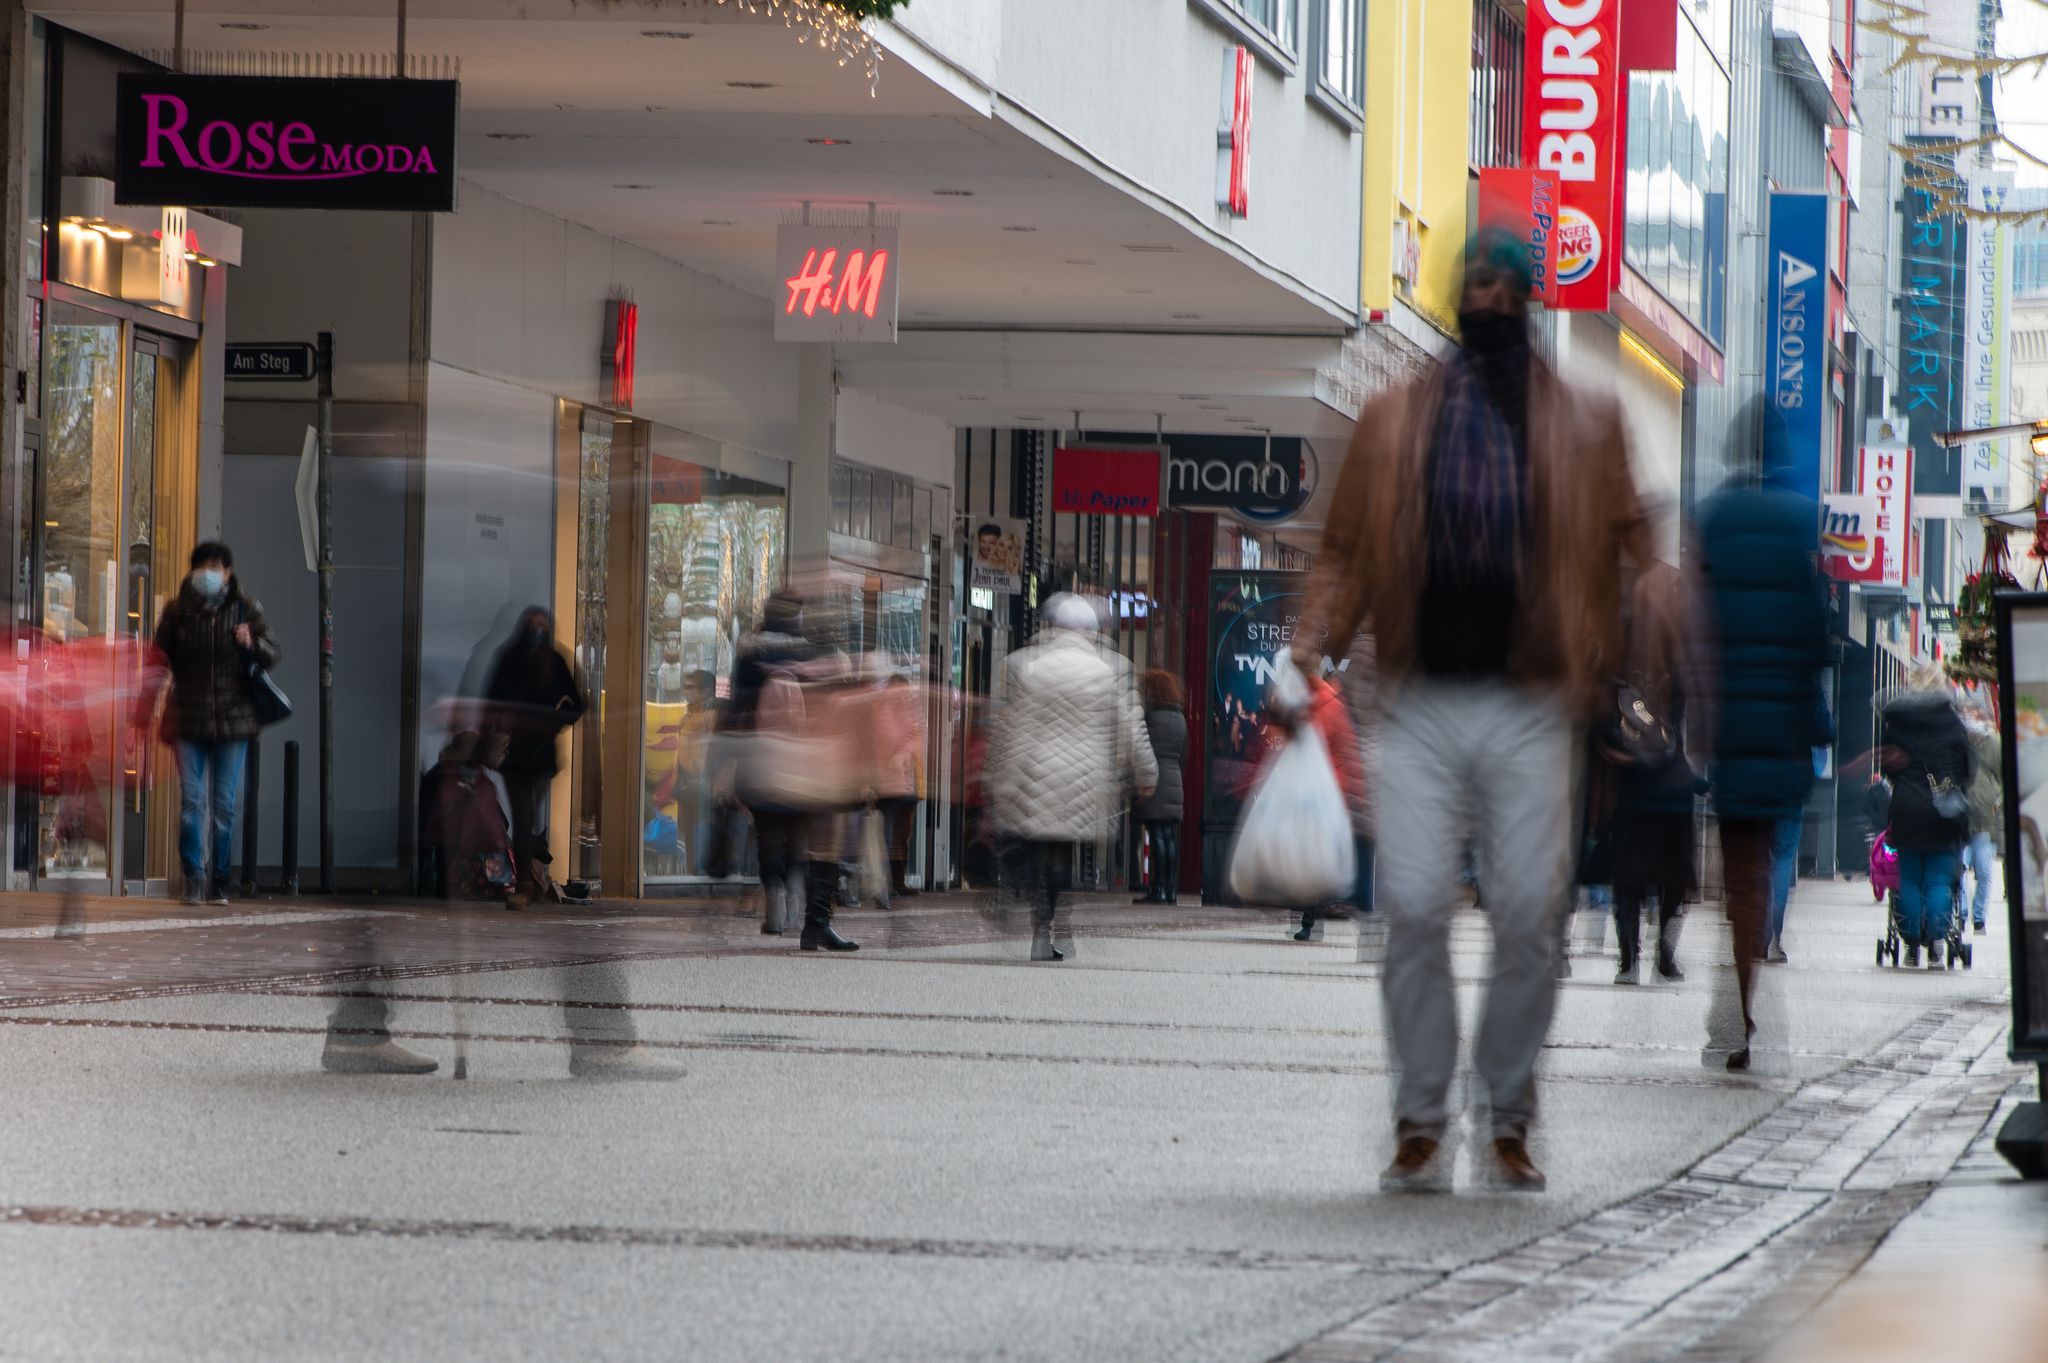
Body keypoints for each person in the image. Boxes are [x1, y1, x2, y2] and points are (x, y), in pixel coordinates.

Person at [1293, 228, 1649, 1192]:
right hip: (1415, 697)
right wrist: (1306, 649)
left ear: (1527, 297)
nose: (1487, 296)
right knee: (1409, 906)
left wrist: (1624, 674)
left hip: (1533, 699)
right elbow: (1347, 549)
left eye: (1503, 283)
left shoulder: (1585, 419)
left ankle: (1508, 1108)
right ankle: (1419, 1115)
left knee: (1532, 914)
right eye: (1475, 282)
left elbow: (1627, 550)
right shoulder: (1395, 417)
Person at [1699, 405, 1829, 1069]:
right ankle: (1745, 981)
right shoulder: (1798, 522)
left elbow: (1698, 620)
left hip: (1728, 723)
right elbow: (1816, 635)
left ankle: (1738, 989)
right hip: (1780, 728)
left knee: (1737, 863)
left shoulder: (1715, 518)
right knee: (1764, 863)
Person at [985, 594, 1156, 961]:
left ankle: (1039, 923)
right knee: (1063, 854)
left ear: (1051, 627)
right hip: (1082, 780)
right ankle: (1054, 925)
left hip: (1035, 776)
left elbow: (1009, 728)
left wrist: (998, 777)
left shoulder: (1027, 665)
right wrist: (1146, 771)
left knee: (1039, 847)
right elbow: (1130, 727)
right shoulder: (1111, 669)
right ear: (1091, 632)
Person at [141, 542, 280, 906]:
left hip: (233, 722)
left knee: (223, 804)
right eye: (203, 566)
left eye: (216, 566)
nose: (209, 573)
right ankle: (193, 877)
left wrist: (252, 643)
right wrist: (140, 716)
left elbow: (272, 653)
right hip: (187, 718)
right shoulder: (178, 612)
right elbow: (156, 665)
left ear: (229, 572)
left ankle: (219, 878)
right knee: (191, 801)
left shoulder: (246, 609)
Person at [723, 590, 859, 950]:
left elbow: (736, 705)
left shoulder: (750, 651)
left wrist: (728, 756)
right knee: (800, 832)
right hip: (802, 756)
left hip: (758, 754)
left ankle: (775, 905)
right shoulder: (809, 649)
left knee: (767, 832)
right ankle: (802, 906)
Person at [1603, 563, 1704, 986]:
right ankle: (1665, 954)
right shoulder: (1681, 647)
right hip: (1672, 776)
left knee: (1628, 873)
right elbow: (1688, 709)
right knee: (1674, 874)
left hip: (1633, 776)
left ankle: (1629, 959)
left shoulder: (1620, 641)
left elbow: (1604, 704)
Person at [483, 607, 586, 904]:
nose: (537, 631)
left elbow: (577, 704)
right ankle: (525, 881)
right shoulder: (512, 659)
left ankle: (525, 879)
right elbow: (492, 700)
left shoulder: (552, 662)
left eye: (542, 626)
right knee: (524, 813)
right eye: (533, 625)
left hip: (538, 753)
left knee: (525, 813)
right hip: (517, 752)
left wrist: (552, 723)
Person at [1878, 673, 1973, 968]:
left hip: (1906, 808)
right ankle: (1935, 939)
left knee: (1908, 878)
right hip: (1943, 812)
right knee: (1937, 880)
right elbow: (1967, 768)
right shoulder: (1953, 724)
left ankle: (1911, 942)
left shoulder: (1897, 723)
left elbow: (1888, 767)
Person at [1133, 669, 1187, 905]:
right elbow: (1184, 755)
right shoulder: (1180, 717)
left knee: (1157, 836)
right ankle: (1170, 890)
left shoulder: (1153, 718)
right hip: (1175, 780)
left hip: (1157, 780)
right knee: (1168, 837)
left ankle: (1158, 890)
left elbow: (1144, 750)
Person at [1963, 712, 2002, 935]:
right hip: (1960, 820)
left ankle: (1978, 918)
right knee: (1957, 869)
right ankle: (1962, 913)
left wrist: (1998, 801)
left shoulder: (1993, 745)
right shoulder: (1958, 742)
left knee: (1984, 872)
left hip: (1985, 821)